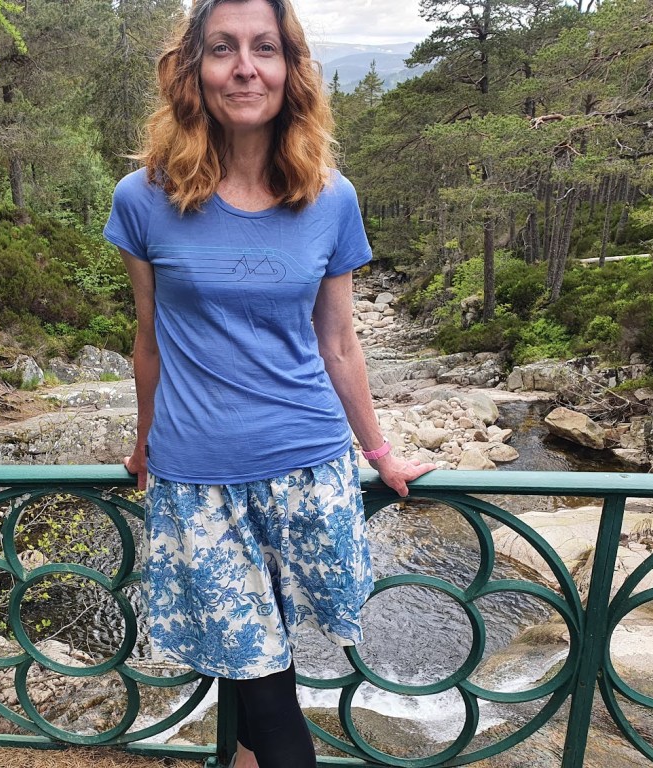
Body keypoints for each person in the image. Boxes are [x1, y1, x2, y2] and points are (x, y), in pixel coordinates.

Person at [103, 0, 435, 765]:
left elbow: (338, 341)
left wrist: (380, 452)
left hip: (308, 469)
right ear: (193, 70)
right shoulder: (143, 198)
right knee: (263, 679)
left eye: (265, 48)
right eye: (223, 48)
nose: (244, 68)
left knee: (267, 659)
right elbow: (149, 341)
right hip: (198, 481)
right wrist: (145, 444)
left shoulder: (331, 196)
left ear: (291, 70)